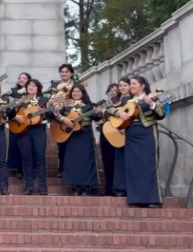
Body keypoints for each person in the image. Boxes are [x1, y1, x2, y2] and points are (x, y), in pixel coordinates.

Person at [108, 76, 165, 208]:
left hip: (146, 132)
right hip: (130, 134)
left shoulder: (152, 97)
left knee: (148, 164)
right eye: (130, 84)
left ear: (142, 86)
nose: (131, 86)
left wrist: (152, 104)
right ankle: (136, 199)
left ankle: (153, 199)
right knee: (133, 166)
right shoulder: (126, 100)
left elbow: (161, 114)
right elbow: (109, 110)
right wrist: (119, 113)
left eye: (134, 84)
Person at [9, 79, 54, 195]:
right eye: (29, 85)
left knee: (40, 159)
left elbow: (50, 114)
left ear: (38, 88)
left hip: (39, 130)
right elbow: (9, 114)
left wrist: (53, 108)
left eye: (34, 85)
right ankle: (28, 187)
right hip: (24, 131)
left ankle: (42, 187)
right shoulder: (22, 100)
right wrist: (15, 110)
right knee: (26, 159)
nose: (31, 87)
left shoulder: (44, 100)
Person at [54, 84, 100, 196]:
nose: (75, 93)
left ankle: (87, 186)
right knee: (73, 160)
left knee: (87, 160)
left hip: (85, 135)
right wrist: (62, 118)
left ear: (82, 93)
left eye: (78, 91)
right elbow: (54, 114)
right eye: (74, 91)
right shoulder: (67, 106)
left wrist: (99, 112)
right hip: (71, 136)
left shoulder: (88, 106)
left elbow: (96, 118)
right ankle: (76, 186)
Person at [4, 72, 31, 179]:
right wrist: (15, 101)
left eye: (24, 78)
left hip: (28, 120)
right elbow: (4, 97)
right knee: (16, 145)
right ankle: (19, 168)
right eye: (20, 78)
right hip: (15, 120)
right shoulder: (14, 90)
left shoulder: (32, 90)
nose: (21, 80)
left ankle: (30, 168)